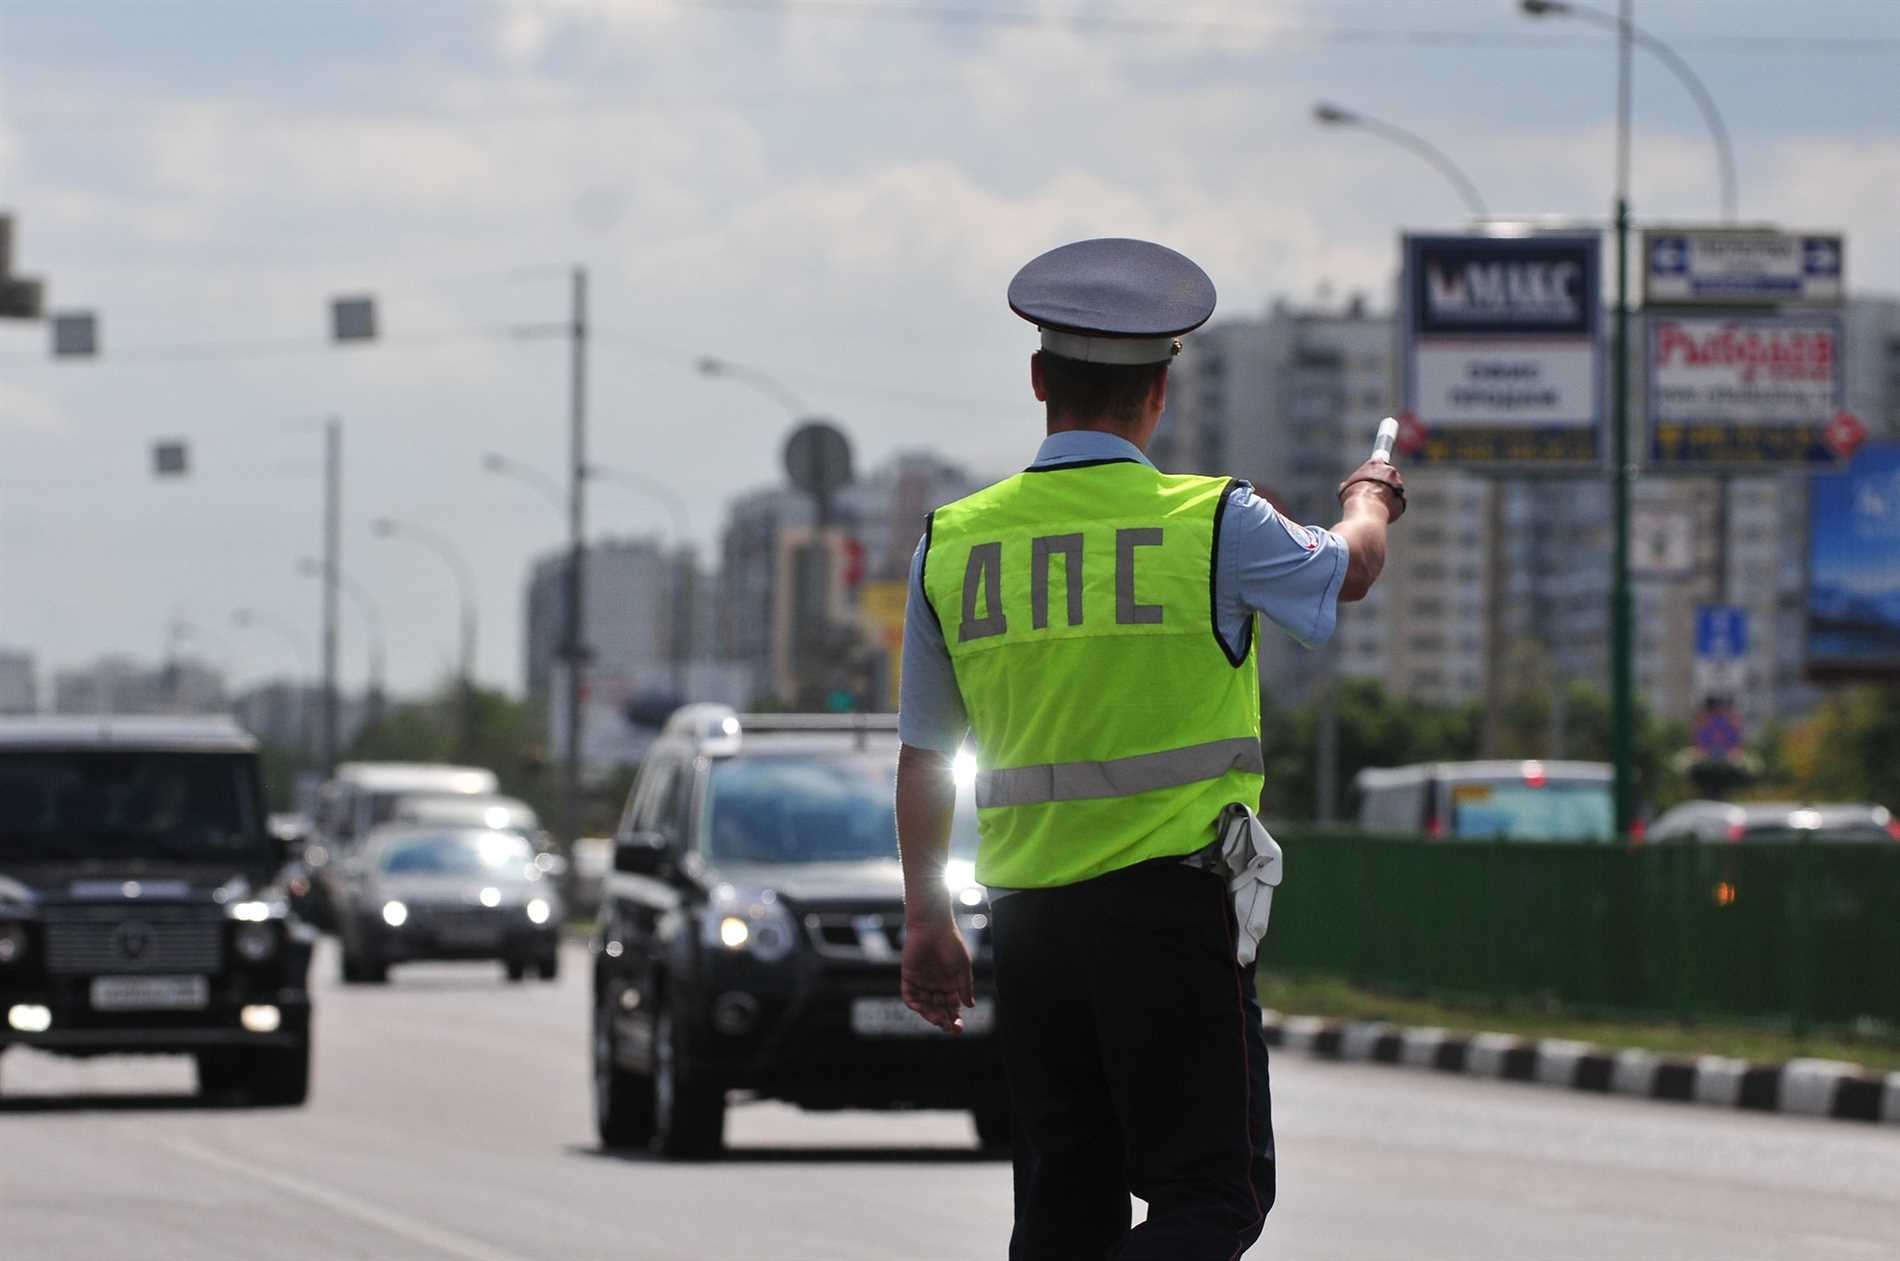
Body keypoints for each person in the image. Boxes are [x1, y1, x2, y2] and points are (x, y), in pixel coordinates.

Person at [894, 238, 1404, 1259]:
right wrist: (1370, 497)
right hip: (1170, 918)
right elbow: (1347, 572)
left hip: (1028, 923)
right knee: (1211, 1196)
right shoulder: (1213, 521)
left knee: (1061, 1208)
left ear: (1038, 380)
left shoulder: (953, 541)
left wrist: (927, 921)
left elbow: (920, 755)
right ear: (1161, 391)